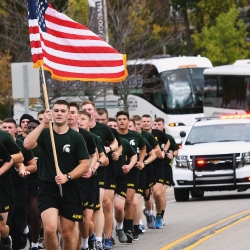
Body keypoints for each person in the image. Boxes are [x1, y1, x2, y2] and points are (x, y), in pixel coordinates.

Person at [24, 100, 90, 250]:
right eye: (56, 110)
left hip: (70, 188)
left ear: (68, 114)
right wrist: (43, 124)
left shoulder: (76, 137)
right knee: (49, 229)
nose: (59, 113)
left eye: (62, 111)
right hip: (48, 187)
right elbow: (27, 145)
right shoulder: (45, 133)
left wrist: (68, 176)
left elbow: (85, 164)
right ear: (52, 113)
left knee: (67, 234)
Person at [81, 101, 118, 250]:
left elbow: (115, 144)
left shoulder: (102, 130)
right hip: (80, 175)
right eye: (84, 110)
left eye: (89, 109)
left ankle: (102, 237)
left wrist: (108, 149)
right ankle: (89, 236)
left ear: (94, 112)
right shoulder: (75, 133)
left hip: (101, 171)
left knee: (102, 205)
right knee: (86, 213)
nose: (87, 112)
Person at [2, 118, 36, 250]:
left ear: (16, 130)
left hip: (18, 186)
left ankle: (17, 241)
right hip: (4, 186)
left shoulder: (22, 145)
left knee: (18, 218)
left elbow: (29, 164)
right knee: (7, 220)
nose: (7, 130)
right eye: (4, 127)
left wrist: (22, 171)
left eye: (10, 127)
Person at [116, 111, 146, 243]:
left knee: (129, 201)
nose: (122, 121)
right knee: (118, 204)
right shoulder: (113, 136)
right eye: (119, 119)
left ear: (129, 121)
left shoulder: (135, 135)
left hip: (132, 171)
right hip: (117, 172)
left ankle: (129, 229)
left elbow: (144, 148)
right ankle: (119, 227)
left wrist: (141, 161)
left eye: (124, 119)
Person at [141, 114, 170, 229]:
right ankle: (149, 212)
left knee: (157, 193)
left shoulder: (157, 133)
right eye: (144, 121)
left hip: (158, 166)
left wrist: (163, 151)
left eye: (148, 121)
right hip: (146, 167)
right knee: (146, 195)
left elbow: (168, 142)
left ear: (151, 122)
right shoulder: (140, 135)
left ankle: (159, 215)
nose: (146, 123)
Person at [154, 117, 179, 225]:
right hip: (153, 167)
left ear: (163, 126)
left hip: (165, 167)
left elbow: (176, 150)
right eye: (155, 124)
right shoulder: (151, 136)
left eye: (159, 124)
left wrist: (172, 154)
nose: (157, 126)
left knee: (162, 192)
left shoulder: (168, 138)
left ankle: (160, 216)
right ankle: (151, 211)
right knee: (154, 193)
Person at [26, 119, 42, 250]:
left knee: (35, 212)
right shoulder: (21, 144)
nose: (31, 130)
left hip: (38, 183)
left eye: (34, 128)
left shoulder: (44, 145)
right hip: (21, 183)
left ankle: (35, 243)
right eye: (29, 127)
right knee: (21, 214)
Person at [0, 142, 13, 250]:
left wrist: (0, 171)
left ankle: (6, 237)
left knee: (1, 228)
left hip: (2, 187)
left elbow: (9, 160)